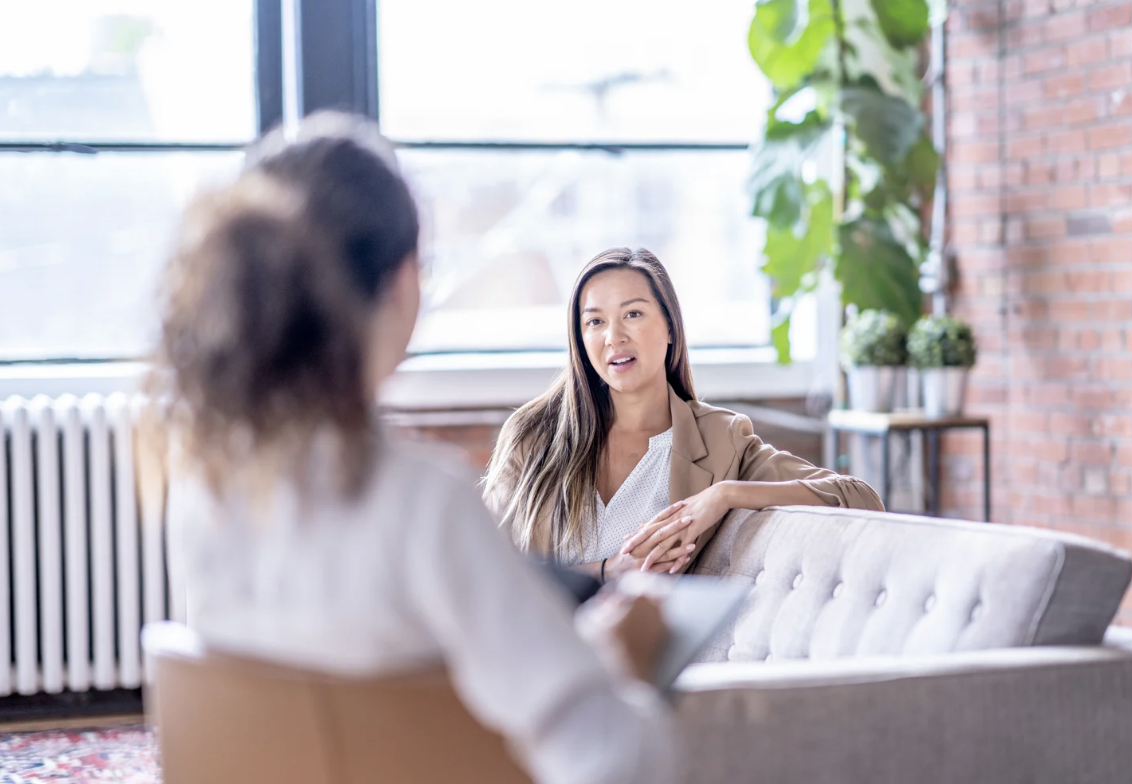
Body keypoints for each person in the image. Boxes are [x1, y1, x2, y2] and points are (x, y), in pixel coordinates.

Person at [151, 113, 677, 784]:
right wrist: (618, 669)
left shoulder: (204, 492)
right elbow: (614, 759)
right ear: (403, 283)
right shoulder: (424, 504)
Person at [484, 248, 884, 580]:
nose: (614, 336)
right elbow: (482, 569)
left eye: (633, 314)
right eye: (595, 321)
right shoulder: (532, 435)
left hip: (654, 662)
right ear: (581, 339)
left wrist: (726, 494)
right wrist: (608, 571)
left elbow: (860, 498)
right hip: (542, 653)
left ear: (671, 327)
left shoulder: (719, 439)